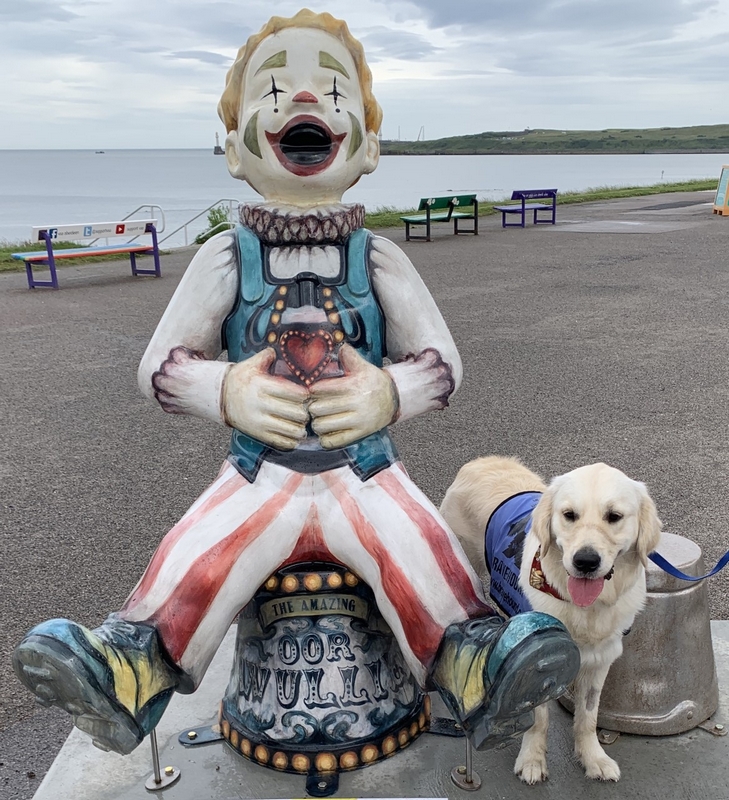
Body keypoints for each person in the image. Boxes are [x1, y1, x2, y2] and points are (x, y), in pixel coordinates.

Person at [14, 9, 579, 757]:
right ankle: (132, 664)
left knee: (417, 540)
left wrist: (389, 393)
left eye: (332, 89)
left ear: (368, 145)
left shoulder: (376, 258)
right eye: (274, 89)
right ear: (233, 151)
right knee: (200, 545)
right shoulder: (224, 259)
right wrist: (224, 389)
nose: (304, 100)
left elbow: (442, 361)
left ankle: (470, 661)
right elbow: (158, 364)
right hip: (261, 471)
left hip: (365, 470)